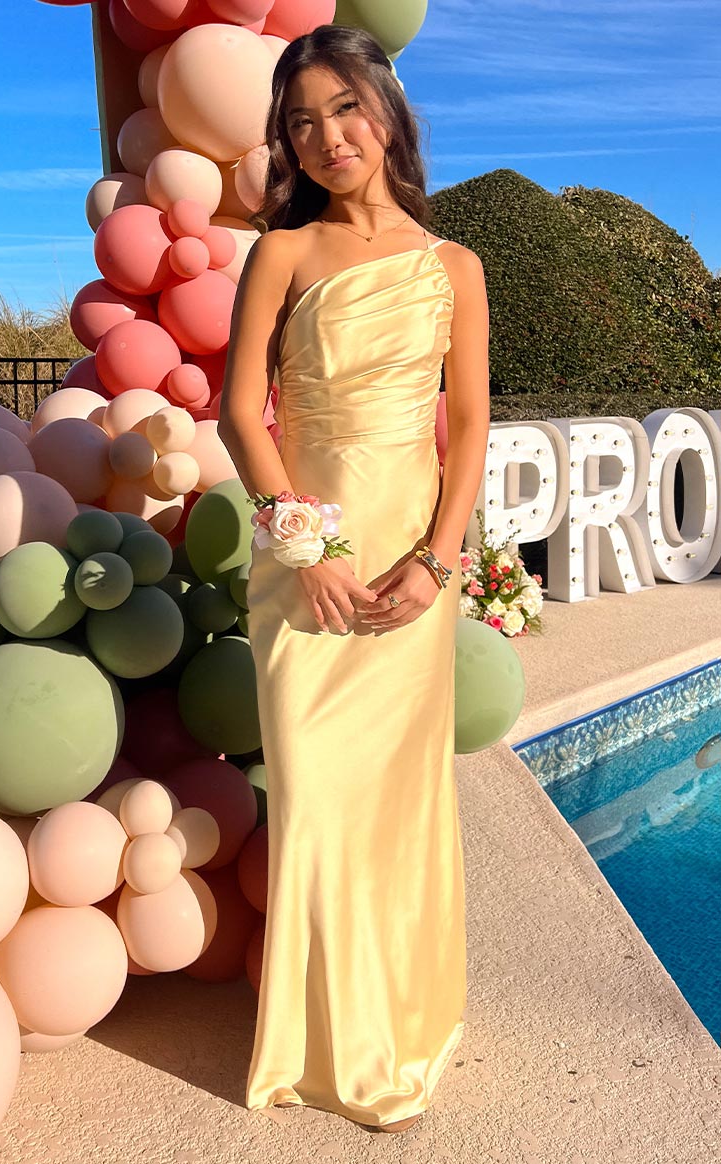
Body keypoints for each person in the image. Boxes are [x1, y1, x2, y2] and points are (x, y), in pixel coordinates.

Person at [217, 22, 490, 1134]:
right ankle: (323, 1045)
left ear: (386, 111)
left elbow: (467, 420)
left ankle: (406, 1022)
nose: (328, 137)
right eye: (301, 122)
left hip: (410, 570)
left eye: (344, 109)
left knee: (398, 808)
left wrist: (440, 561)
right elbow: (242, 412)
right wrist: (303, 546)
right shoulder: (280, 253)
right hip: (309, 568)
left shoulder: (455, 266)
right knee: (321, 803)